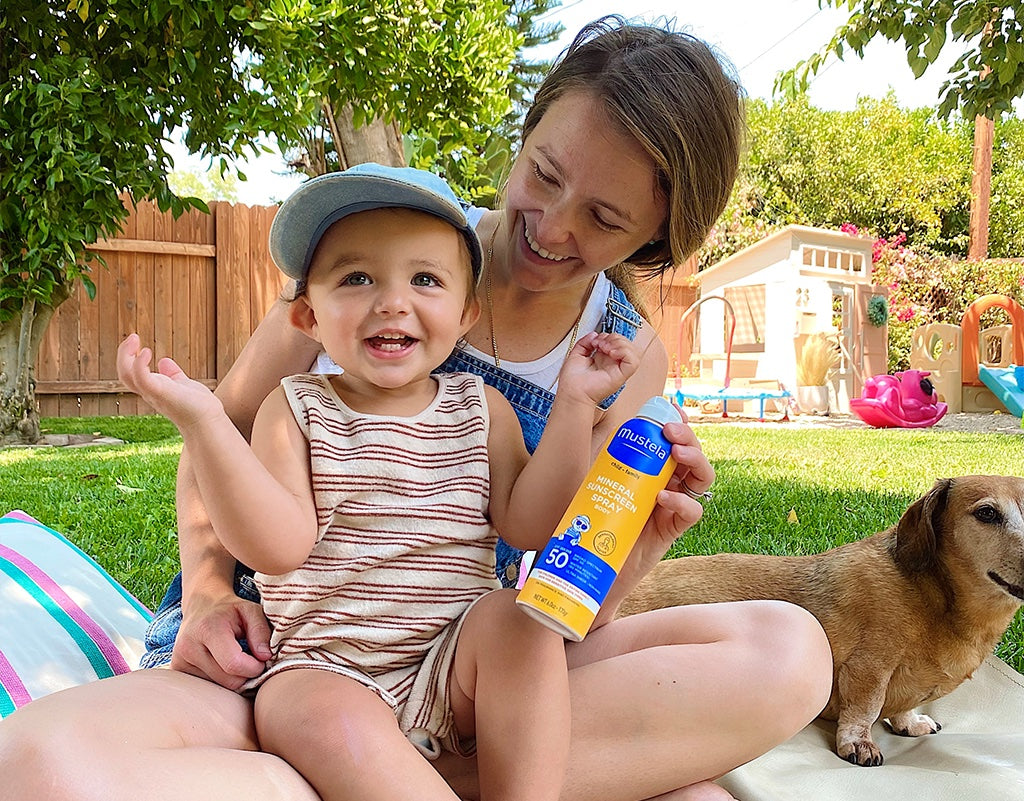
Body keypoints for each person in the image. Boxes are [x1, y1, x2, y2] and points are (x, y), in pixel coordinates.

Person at [0, 16, 832, 801]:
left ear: (652, 241)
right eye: (543, 174)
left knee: (789, 652)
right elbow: (220, 443)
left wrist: (633, 553)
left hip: (469, 672)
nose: (550, 226)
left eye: (604, 219)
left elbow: (549, 568)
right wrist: (214, 595)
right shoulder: (377, 245)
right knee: (33, 763)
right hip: (283, 657)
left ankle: (373, 775)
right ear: (527, 133)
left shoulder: (618, 359)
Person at [114, 163, 644, 801]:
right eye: (357, 277)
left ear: (466, 313)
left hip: (453, 660)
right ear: (308, 316)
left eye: (425, 279)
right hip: (324, 666)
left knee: (517, 619)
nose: (392, 300)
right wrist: (205, 424)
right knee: (316, 716)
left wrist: (575, 408)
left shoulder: (483, 411)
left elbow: (531, 525)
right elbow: (276, 547)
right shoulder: (297, 408)